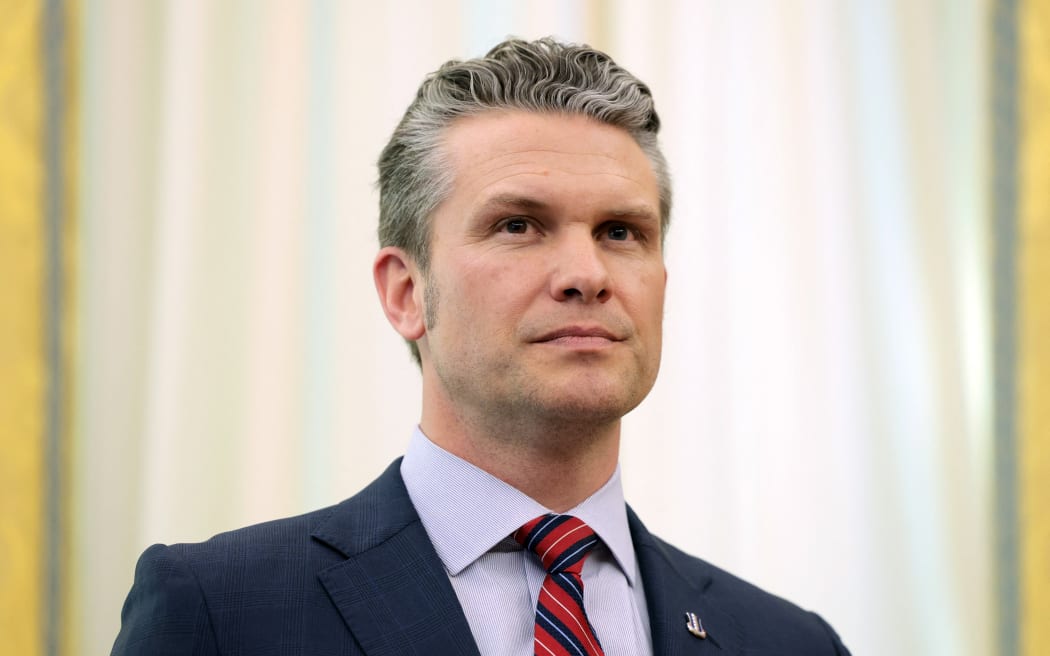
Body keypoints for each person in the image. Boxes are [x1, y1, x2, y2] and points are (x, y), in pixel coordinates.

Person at [112, 37, 851, 655]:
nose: (586, 275)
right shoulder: (223, 614)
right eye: (518, 225)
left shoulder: (789, 642)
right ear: (406, 293)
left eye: (620, 232)